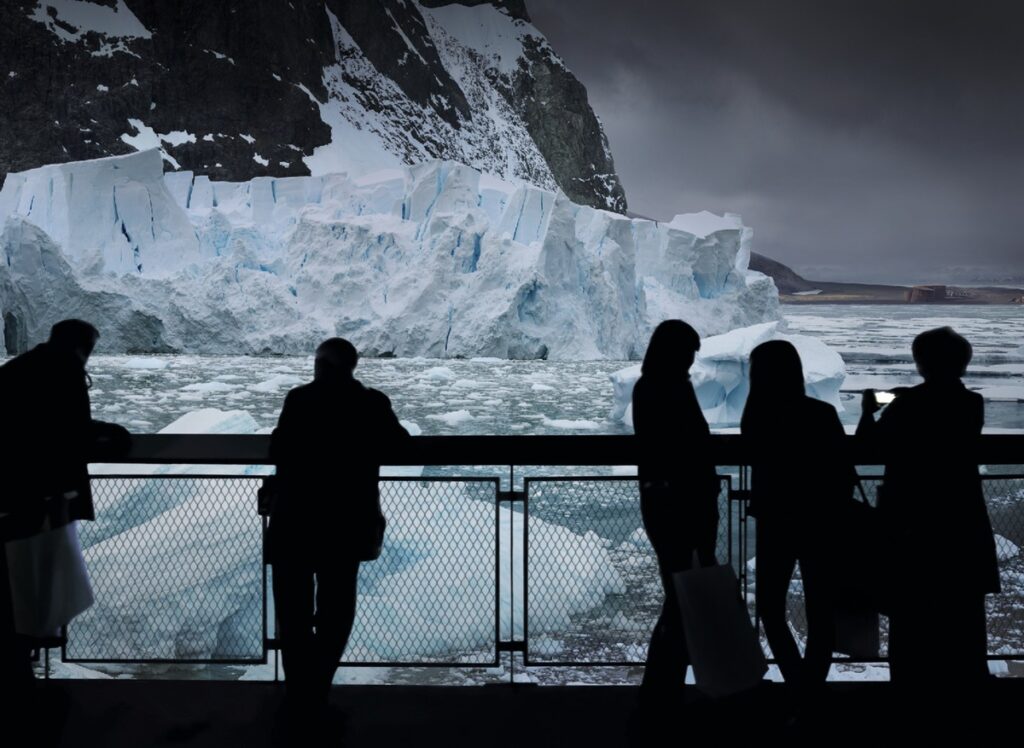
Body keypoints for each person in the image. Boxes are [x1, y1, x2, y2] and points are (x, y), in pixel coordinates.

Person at [268, 337, 409, 726]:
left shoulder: (299, 400)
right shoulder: (371, 403)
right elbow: (401, 447)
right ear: (352, 367)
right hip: (346, 526)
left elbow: (279, 450)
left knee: (293, 613)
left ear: (321, 365)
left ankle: (300, 697)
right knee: (335, 612)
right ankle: (318, 692)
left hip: (295, 523)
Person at [857, 327, 999, 692]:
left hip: (911, 524)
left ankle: (912, 693)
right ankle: (967, 691)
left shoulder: (907, 406)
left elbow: (869, 451)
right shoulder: (973, 403)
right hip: (961, 520)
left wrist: (868, 412)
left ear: (922, 362)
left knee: (911, 614)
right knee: (964, 612)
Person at [0, 320, 130, 697]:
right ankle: (20, 678)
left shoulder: (18, 368)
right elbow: (70, 432)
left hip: (10, 498)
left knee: (15, 589)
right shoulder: (64, 372)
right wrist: (111, 437)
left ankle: (17, 673)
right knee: (34, 587)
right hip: (39, 502)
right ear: (82, 346)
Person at [741, 340, 854, 702]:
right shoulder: (821, 414)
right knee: (821, 610)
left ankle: (796, 684)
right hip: (821, 522)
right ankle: (812, 690)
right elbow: (842, 470)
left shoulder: (757, 416)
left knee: (770, 608)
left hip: (776, 522)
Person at [631, 320, 720, 708]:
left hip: (673, 505)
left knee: (680, 595)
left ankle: (664, 687)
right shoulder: (664, 388)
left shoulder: (654, 386)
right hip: (682, 507)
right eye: (687, 351)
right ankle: (664, 688)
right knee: (683, 596)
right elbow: (682, 446)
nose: (691, 359)